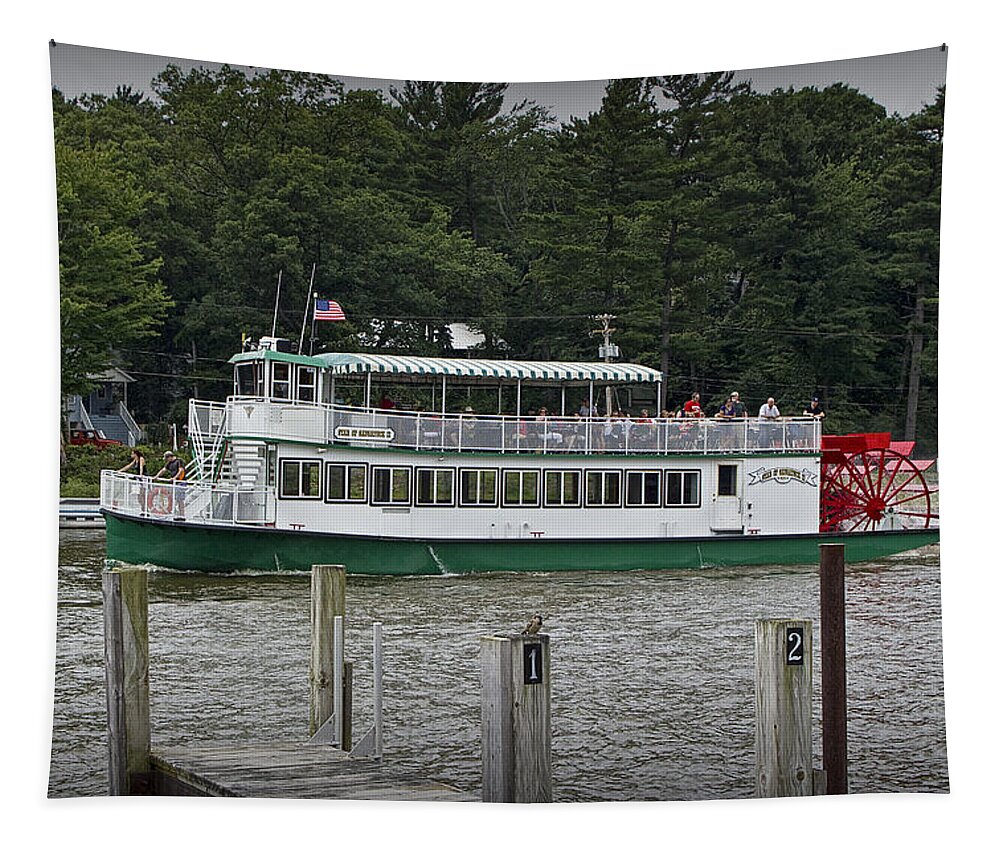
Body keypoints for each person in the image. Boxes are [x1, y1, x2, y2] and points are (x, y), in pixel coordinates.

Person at [154, 450, 188, 518]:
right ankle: (174, 513)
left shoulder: (179, 461)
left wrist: (175, 478)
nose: (166, 460)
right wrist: (156, 476)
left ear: (170, 457)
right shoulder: (169, 463)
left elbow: (181, 470)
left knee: (180, 500)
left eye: (167, 458)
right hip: (174, 483)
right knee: (173, 498)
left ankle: (182, 515)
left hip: (180, 482)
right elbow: (163, 470)